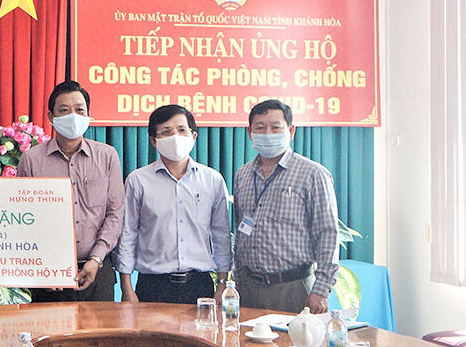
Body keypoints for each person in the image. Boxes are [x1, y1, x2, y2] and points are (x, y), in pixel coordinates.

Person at [17, 80, 125, 301]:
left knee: (99, 326)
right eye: (64, 110)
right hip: (48, 275)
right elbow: (23, 217)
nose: (72, 116)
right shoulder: (31, 159)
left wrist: (96, 259)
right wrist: (45, 266)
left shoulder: (107, 156)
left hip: (98, 270)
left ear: (88, 115)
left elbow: (115, 213)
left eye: (79, 110)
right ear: (51, 117)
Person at [232, 99, 339, 313]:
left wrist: (321, 290)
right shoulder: (243, 174)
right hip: (248, 287)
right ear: (249, 133)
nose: (268, 133)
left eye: (275, 127)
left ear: (290, 131)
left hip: (293, 287)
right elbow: (240, 228)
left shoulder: (312, 173)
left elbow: (327, 233)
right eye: (260, 128)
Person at [117, 105, 232, 304]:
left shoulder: (212, 180)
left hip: (199, 285)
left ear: (193, 136)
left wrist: (222, 284)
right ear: (153, 141)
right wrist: (126, 288)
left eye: (181, 130)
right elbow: (128, 235)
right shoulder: (138, 180)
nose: (175, 137)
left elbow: (221, 235)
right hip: (152, 286)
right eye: (166, 132)